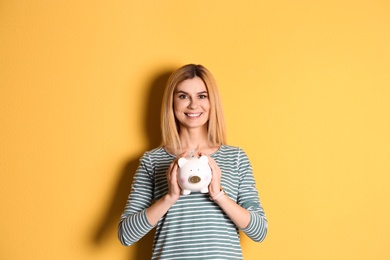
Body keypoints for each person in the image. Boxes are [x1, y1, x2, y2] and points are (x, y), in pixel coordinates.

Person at [118, 64, 267, 259]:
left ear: (212, 101)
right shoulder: (152, 161)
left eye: (202, 96)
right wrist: (170, 197)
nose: (193, 105)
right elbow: (126, 235)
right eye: (183, 96)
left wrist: (218, 194)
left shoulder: (235, 157)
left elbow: (259, 231)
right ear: (172, 102)